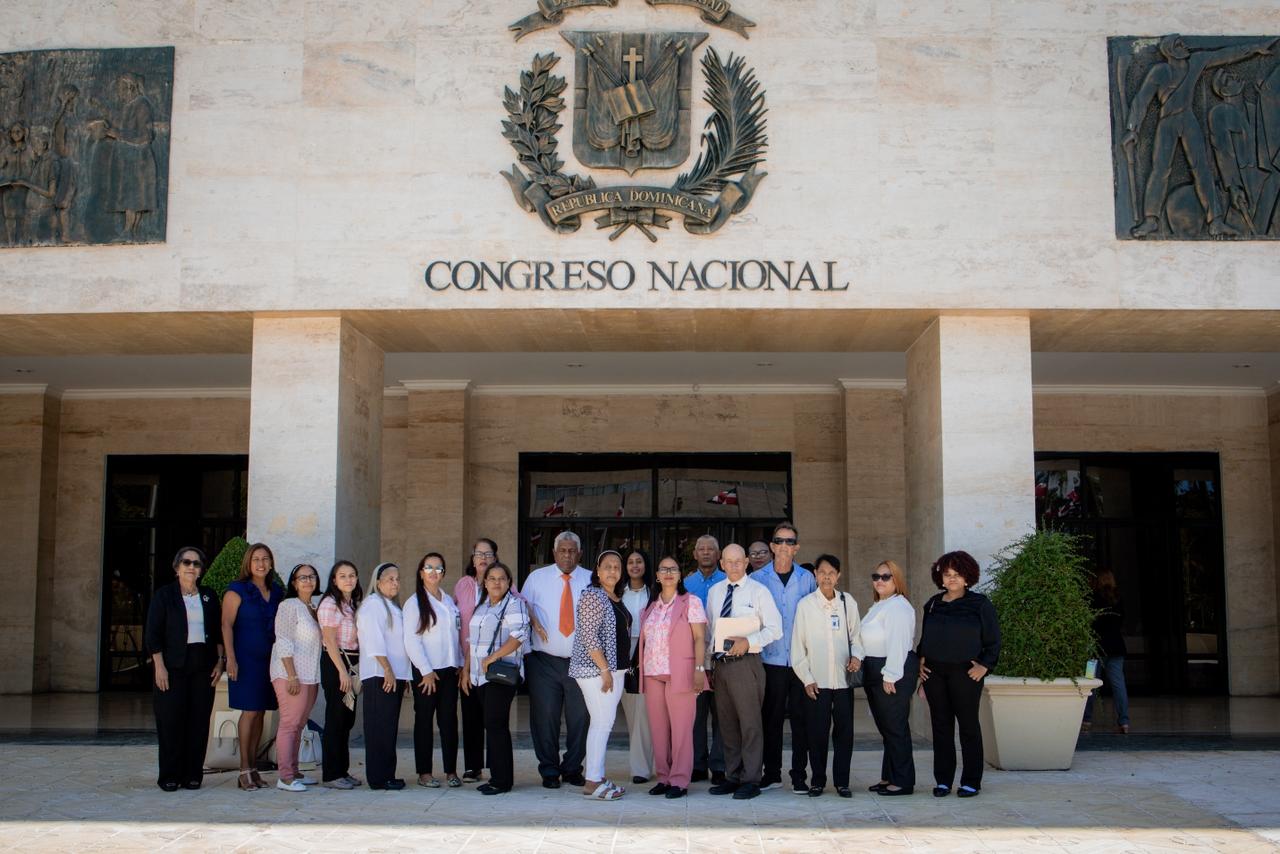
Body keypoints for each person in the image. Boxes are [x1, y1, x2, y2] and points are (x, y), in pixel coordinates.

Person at [918, 551, 1000, 799]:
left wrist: (984, 666)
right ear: (940, 578)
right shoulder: (932, 604)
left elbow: (993, 641)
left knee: (968, 727)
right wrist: (920, 662)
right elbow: (925, 639)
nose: (952, 579)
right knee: (941, 727)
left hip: (966, 674)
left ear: (967, 577)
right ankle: (943, 781)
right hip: (934, 674)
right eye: (947, 574)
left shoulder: (980, 604)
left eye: (957, 574)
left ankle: (971, 781)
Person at [705, 544, 783, 800]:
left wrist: (748, 642)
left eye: (739, 561)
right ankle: (733, 776)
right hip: (722, 666)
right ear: (722, 564)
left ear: (746, 562)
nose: (735, 565)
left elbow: (775, 629)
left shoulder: (759, 592)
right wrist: (707, 666)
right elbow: (710, 633)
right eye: (729, 561)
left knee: (750, 723)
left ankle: (751, 779)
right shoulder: (715, 592)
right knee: (727, 724)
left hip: (747, 663)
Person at [144, 546, 224, 791]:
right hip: (172, 666)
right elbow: (153, 633)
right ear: (177, 567)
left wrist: (220, 662)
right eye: (186, 562)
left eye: (196, 563)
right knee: (171, 721)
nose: (191, 567)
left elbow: (219, 632)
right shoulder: (164, 596)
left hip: (203, 665)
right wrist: (159, 667)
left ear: (201, 570)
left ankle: (192, 775)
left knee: (198, 721)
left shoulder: (209, 596)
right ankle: (169, 774)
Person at [520, 531, 591, 789]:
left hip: (581, 662)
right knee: (545, 717)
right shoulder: (536, 578)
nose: (567, 555)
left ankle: (572, 768)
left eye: (572, 551)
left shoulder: (591, 579)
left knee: (580, 718)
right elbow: (522, 608)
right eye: (563, 550)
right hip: (544, 662)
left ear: (580, 554)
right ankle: (549, 770)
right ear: (554, 553)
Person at [790, 554, 862, 798]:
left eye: (832, 572)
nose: (827, 577)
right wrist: (807, 678)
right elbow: (797, 647)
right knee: (817, 734)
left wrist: (857, 657)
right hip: (816, 682)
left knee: (844, 734)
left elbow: (857, 638)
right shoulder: (806, 605)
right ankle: (817, 781)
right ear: (815, 575)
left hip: (843, 682)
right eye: (822, 572)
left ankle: (842, 781)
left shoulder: (847, 602)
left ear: (839, 575)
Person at [753, 521, 817, 793]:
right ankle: (772, 773)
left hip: (800, 661)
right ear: (772, 545)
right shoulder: (756, 579)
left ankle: (799, 774)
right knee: (772, 719)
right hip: (771, 661)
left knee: (802, 720)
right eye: (779, 541)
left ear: (797, 548)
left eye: (790, 542)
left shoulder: (807, 579)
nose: (784, 546)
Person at [639, 555, 707, 799]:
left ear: (680, 575)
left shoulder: (691, 602)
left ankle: (679, 780)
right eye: (663, 569)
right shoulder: (649, 608)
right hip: (652, 674)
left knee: (681, 730)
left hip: (681, 673)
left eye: (673, 569)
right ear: (656, 576)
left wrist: (700, 670)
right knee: (658, 730)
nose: (668, 572)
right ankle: (664, 777)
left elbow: (700, 638)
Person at [462, 562, 529, 795]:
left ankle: (502, 781)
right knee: (490, 725)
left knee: (495, 724)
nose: (497, 582)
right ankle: (497, 776)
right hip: (479, 676)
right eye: (492, 578)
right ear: (485, 582)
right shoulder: (481, 607)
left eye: (502, 578)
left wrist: (493, 657)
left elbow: (519, 635)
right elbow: (472, 641)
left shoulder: (514, 604)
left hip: (501, 674)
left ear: (509, 583)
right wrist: (466, 670)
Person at [221, 542, 284, 791]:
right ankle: (244, 769)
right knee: (249, 711)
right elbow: (226, 625)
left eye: (265, 559)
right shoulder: (236, 590)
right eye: (256, 559)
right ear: (248, 563)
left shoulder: (277, 591)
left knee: (261, 712)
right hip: (245, 659)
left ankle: (255, 768)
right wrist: (230, 658)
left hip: (270, 660)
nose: (261, 563)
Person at [570, 550, 631, 800]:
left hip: (614, 671)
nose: (613, 571)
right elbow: (588, 635)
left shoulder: (615, 596)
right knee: (602, 723)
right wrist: (605, 670)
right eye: (607, 566)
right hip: (596, 671)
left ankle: (598, 774)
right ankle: (593, 781)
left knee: (603, 722)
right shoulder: (592, 596)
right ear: (597, 570)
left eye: (617, 567)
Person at [403, 552, 463, 788]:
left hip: (448, 670)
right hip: (426, 673)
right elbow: (411, 640)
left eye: (438, 568)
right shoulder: (414, 603)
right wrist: (426, 671)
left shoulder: (448, 601)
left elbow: (455, 636)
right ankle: (424, 772)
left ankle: (451, 771)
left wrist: (458, 663)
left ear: (443, 573)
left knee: (449, 720)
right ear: (421, 573)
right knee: (425, 721)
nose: (434, 572)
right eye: (429, 567)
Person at [861, 560, 917, 796]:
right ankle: (889, 776)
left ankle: (903, 781)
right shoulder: (880, 605)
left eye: (886, 577)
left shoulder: (898, 607)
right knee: (886, 727)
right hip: (875, 668)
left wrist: (891, 675)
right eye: (876, 576)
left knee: (895, 727)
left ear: (897, 580)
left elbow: (899, 644)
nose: (880, 581)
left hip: (891, 669)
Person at [356, 562, 411, 790]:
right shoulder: (373, 605)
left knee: (388, 727)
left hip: (393, 676)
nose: (395, 583)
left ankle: (387, 773)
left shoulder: (391, 606)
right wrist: (388, 670)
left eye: (397, 579)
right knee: (379, 727)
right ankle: (379, 778)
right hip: (380, 675)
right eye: (390, 579)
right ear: (377, 582)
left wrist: (403, 675)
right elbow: (374, 641)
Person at [270, 564, 323, 792]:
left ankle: (295, 771)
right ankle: (286, 776)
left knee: (300, 725)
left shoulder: (313, 607)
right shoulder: (289, 605)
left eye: (311, 577)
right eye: (302, 577)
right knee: (290, 724)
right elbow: (283, 640)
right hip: (290, 674)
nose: (308, 581)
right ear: (293, 582)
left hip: (310, 675)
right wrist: (291, 674)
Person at [682, 534, 726, 784]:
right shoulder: (686, 585)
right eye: (702, 549)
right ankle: (698, 764)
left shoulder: (727, 581)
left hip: (722, 659)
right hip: (695, 659)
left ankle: (719, 765)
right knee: (695, 715)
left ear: (718, 554)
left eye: (711, 548)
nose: (707, 552)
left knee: (722, 715)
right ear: (695, 554)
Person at [454, 538, 498, 782]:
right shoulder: (463, 585)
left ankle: (495, 766)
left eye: (488, 553)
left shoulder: (503, 583)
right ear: (472, 559)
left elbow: (522, 605)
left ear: (495, 558)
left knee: (493, 716)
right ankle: (473, 766)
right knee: (470, 715)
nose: (483, 558)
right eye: (479, 553)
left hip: (492, 662)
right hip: (466, 662)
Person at [317, 560, 363, 789]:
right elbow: (329, 641)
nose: (348, 579)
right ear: (334, 580)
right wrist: (342, 673)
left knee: (347, 720)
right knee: (335, 719)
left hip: (352, 663)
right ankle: (331, 775)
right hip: (337, 663)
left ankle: (342, 771)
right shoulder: (329, 604)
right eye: (342, 576)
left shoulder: (352, 604)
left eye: (352, 575)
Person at [620, 548, 655, 784]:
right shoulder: (616, 592)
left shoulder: (654, 592)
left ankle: (640, 769)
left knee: (642, 714)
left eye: (639, 561)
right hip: (620, 655)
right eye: (630, 562)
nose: (634, 565)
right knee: (629, 712)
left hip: (647, 655)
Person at [1083, 569, 1130, 734]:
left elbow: (1088, 622)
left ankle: (1086, 720)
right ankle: (1124, 722)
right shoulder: (1118, 599)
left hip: (1094, 649)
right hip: (1116, 647)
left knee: (1088, 683)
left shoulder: (1092, 598)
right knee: (1119, 685)